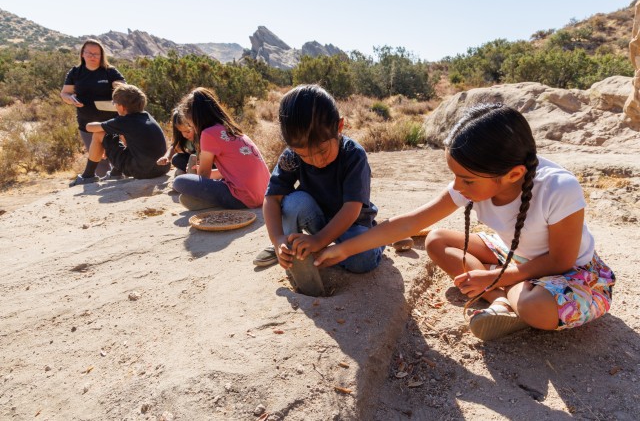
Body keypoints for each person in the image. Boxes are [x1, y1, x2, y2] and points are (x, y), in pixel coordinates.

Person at [314, 103, 615, 341]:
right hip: (511, 253)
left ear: (513, 175)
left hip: (570, 272)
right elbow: (412, 222)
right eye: (455, 176)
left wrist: (497, 276)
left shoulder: (559, 188)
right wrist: (346, 249)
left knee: (535, 308)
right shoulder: (476, 179)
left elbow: (561, 260)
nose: (457, 186)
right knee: (436, 241)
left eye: (466, 179)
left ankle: (507, 298)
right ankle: (503, 299)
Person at [258, 84, 383, 274]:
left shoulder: (353, 155)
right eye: (305, 156)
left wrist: (318, 241)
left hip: (352, 224)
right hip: (318, 220)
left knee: (363, 260)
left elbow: (352, 208)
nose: (316, 161)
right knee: (294, 203)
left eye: (322, 151)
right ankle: (290, 252)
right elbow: (272, 199)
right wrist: (277, 239)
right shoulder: (291, 157)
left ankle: (379, 240)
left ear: (339, 127)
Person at [171, 87, 270, 210]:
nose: (193, 128)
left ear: (196, 118)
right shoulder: (231, 129)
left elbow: (203, 175)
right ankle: (209, 201)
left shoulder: (208, 133)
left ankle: (208, 202)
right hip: (263, 194)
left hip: (245, 197)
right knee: (201, 186)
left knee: (179, 181)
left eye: (191, 124)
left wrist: (195, 175)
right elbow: (232, 172)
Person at [69, 83, 170, 186]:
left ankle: (87, 176)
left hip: (143, 171)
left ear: (121, 107)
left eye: (115, 104)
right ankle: (115, 173)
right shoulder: (146, 116)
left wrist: (105, 141)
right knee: (121, 135)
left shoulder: (125, 121)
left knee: (99, 133)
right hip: (162, 168)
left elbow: (89, 127)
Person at [61, 39, 126, 176]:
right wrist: (70, 99)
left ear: (102, 55)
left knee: (115, 154)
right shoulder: (75, 72)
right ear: (82, 54)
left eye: (96, 54)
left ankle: (118, 180)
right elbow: (65, 93)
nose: (92, 56)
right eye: (89, 53)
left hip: (111, 123)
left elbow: (123, 86)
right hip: (87, 123)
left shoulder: (110, 71)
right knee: (97, 158)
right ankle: (102, 185)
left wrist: (117, 86)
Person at [157, 108, 197, 176]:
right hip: (193, 163)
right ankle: (189, 173)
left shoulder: (203, 136)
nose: (184, 135)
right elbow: (174, 147)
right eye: (181, 132)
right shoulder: (186, 139)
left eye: (187, 131)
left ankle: (191, 175)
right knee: (176, 159)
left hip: (206, 164)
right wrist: (167, 157)